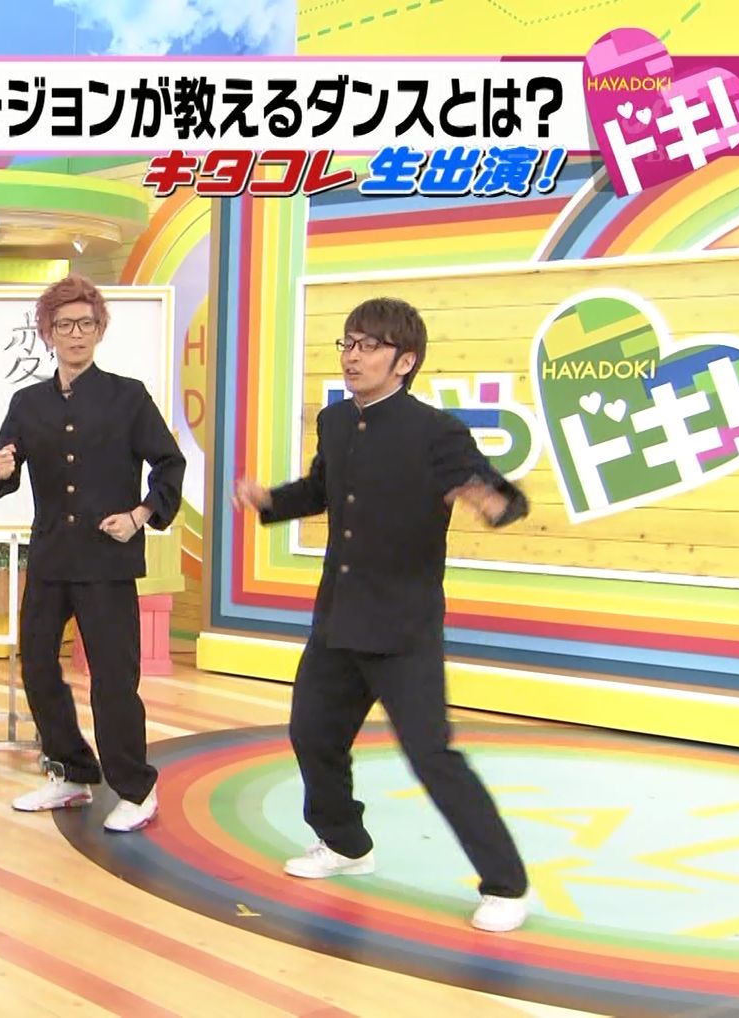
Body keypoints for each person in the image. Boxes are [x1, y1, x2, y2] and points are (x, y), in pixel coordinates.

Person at [231, 296, 532, 933]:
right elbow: (321, 488)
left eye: (368, 346)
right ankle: (345, 844)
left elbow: (503, 498)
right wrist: (269, 501)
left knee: (432, 755)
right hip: (338, 617)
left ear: (405, 361)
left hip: (403, 628)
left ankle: (506, 885)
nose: (352, 356)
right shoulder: (336, 421)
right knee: (313, 734)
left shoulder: (437, 433)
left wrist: (489, 500)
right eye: (347, 343)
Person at [0, 274, 185, 834]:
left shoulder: (128, 396)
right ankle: (71, 771)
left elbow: (170, 464)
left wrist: (140, 515)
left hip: (107, 561)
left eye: (86, 324)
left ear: (100, 330)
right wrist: (1, 469)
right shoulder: (27, 403)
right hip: (51, 557)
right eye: (65, 324)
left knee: (114, 679)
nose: (76, 334)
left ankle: (137, 789)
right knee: (36, 664)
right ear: (47, 332)